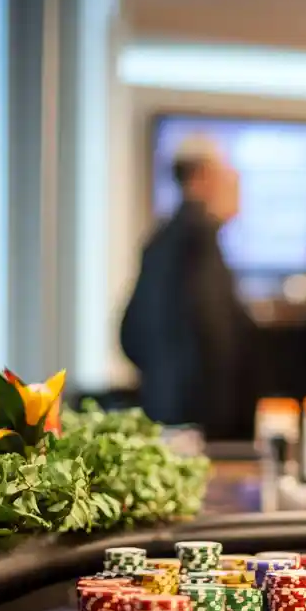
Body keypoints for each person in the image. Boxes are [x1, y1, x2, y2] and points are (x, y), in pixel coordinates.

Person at [121, 136, 262, 440]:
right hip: (201, 423)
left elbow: (129, 335)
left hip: (163, 410)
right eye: (229, 179)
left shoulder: (159, 241)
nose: (237, 192)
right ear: (203, 178)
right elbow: (219, 339)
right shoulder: (200, 243)